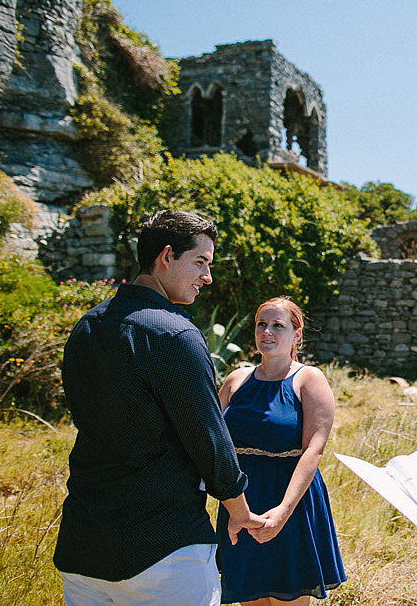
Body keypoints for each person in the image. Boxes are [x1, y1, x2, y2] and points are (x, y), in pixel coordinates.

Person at [54, 209, 266, 606]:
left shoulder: (86, 326)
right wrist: (239, 510)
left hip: (83, 549)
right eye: (200, 262)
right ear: (166, 257)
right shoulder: (174, 333)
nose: (208, 277)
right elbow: (209, 439)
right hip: (163, 551)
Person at [217, 296, 346, 605]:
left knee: (289, 598)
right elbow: (213, 442)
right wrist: (232, 505)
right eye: (262, 325)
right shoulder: (236, 379)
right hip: (242, 502)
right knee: (249, 597)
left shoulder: (308, 379)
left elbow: (313, 451)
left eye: (278, 326)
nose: (267, 333)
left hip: (290, 501)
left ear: (296, 334)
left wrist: (283, 512)